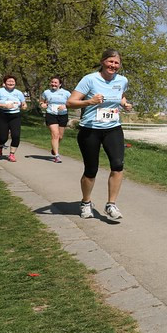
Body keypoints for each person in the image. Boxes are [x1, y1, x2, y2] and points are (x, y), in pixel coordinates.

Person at [67, 49, 132, 220]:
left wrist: (125, 104)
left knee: (118, 165)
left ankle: (111, 204)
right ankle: (86, 203)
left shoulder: (122, 80)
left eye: (116, 63)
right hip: (90, 129)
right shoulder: (89, 79)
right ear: (103, 61)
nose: (113, 65)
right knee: (91, 170)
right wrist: (90, 101)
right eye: (110, 61)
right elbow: (70, 102)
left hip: (113, 128)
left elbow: (120, 96)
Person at [0, 75, 27, 161]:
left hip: (15, 116)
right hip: (2, 115)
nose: (11, 83)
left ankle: (11, 154)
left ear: (15, 83)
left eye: (12, 81)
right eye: (9, 81)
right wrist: (4, 105)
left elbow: (23, 104)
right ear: (5, 83)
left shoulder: (19, 93)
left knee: (16, 136)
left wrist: (24, 106)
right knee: (3, 137)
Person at [39, 76, 71, 163]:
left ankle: (54, 148)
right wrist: (43, 104)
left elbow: (72, 102)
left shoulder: (66, 93)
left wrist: (65, 106)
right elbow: (42, 100)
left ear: (60, 84)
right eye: (52, 82)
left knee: (60, 136)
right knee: (55, 135)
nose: (53, 84)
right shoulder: (47, 92)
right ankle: (57, 156)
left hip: (63, 115)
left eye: (55, 83)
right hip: (51, 114)